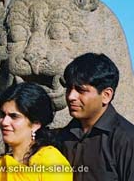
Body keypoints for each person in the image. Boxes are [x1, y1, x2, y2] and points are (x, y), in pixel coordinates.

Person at [57, 52, 134, 181]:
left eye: (81, 90)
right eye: (69, 88)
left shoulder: (126, 140)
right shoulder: (63, 137)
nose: (71, 96)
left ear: (106, 95)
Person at [0, 82, 73, 181]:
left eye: (14, 116)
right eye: (3, 115)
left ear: (36, 124)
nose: (4, 122)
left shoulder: (51, 161)